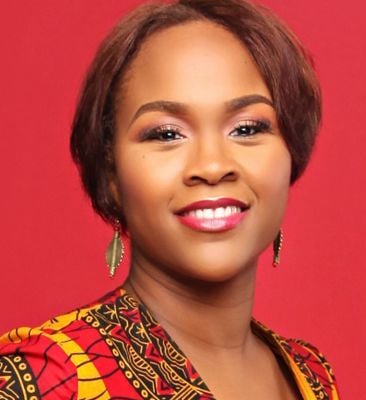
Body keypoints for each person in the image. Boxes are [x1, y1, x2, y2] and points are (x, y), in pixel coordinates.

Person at [0, 0, 340, 398]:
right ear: (110, 175)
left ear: (292, 155)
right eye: (166, 134)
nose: (212, 166)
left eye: (247, 128)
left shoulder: (311, 375)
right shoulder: (49, 378)